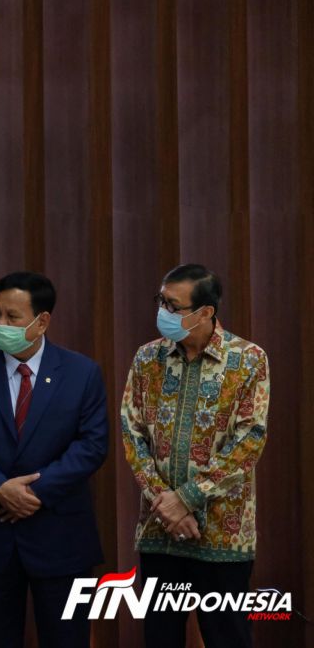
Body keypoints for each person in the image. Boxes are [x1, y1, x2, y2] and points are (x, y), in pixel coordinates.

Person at [0, 271, 108, 648]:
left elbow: (92, 445)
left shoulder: (82, 373)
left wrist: (34, 493)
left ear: (42, 321)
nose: (0, 323)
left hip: (60, 535)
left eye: (12, 317)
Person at [121, 264, 269, 648]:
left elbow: (249, 441)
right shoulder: (147, 358)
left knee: (228, 637)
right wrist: (164, 502)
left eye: (173, 306)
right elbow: (132, 433)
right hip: (160, 530)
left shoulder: (249, 359)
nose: (163, 312)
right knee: (160, 637)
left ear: (205, 312)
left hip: (223, 533)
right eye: (161, 302)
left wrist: (186, 498)